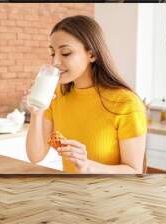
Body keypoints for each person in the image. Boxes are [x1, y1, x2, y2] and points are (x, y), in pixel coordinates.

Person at [25, 15, 147, 174]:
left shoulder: (126, 102)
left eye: (66, 53)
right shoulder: (56, 94)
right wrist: (37, 113)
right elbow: (35, 156)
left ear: (92, 54)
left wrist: (88, 166)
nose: (55, 62)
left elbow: (134, 171)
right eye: (53, 53)